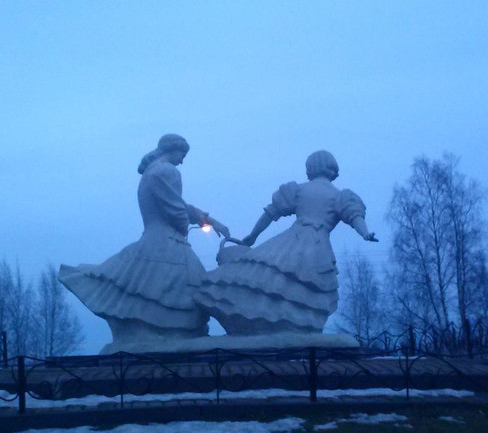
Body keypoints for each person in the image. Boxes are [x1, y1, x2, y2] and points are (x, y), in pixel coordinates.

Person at [59, 134, 229, 351]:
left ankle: (163, 335)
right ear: (172, 150)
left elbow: (178, 205)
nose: (182, 161)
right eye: (182, 155)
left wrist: (209, 221)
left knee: (156, 289)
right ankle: (173, 336)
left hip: (157, 238)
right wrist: (185, 227)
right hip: (166, 241)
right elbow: (176, 210)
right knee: (183, 288)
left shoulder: (153, 171)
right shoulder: (167, 171)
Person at [195, 150, 378, 335]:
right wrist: (365, 233)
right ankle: (294, 322)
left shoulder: (299, 190)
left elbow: (270, 213)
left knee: (273, 277)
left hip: (291, 241)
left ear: (311, 168)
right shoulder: (341, 196)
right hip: (318, 247)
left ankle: (273, 317)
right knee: (305, 284)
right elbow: (355, 217)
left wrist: (253, 235)